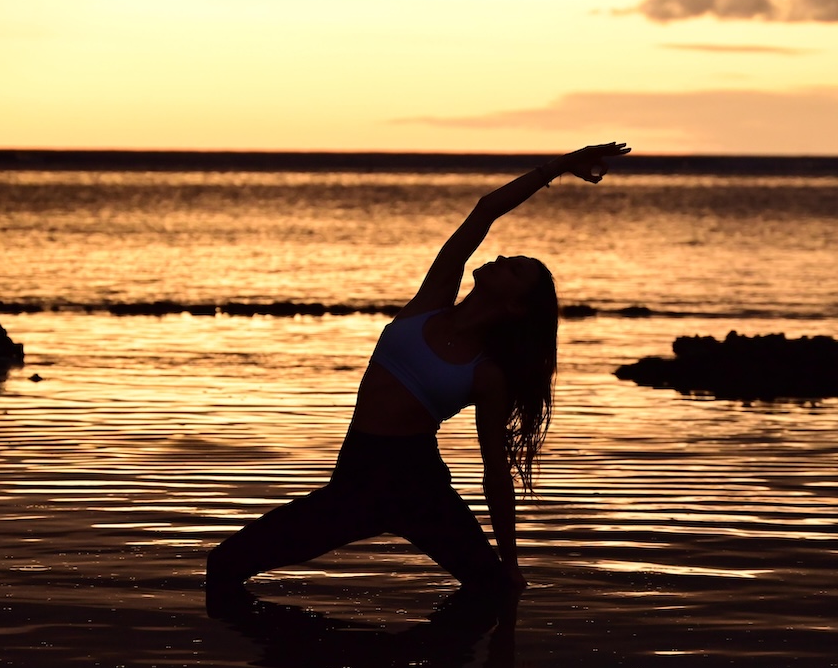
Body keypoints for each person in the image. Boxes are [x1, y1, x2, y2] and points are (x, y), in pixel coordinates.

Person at [206, 142, 631, 597]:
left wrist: (511, 561)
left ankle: (453, 665)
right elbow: (484, 212)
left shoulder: (487, 373)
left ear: (514, 306)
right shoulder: (430, 304)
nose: (505, 259)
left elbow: (494, 471)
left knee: (495, 590)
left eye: (516, 270)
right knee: (224, 565)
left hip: (418, 486)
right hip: (355, 480)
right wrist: (561, 166)